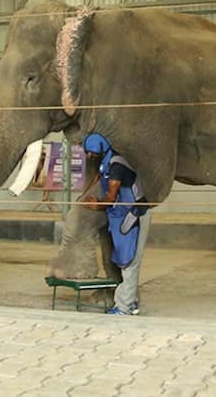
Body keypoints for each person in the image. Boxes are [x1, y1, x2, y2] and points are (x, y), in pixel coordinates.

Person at [81, 132, 151, 315]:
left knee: (129, 260)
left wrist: (96, 205)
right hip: (120, 216)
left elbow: (111, 197)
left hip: (133, 215)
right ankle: (131, 302)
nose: (90, 157)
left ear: (101, 148)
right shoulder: (106, 164)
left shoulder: (117, 166)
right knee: (124, 258)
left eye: (92, 153)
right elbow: (100, 182)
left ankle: (123, 307)